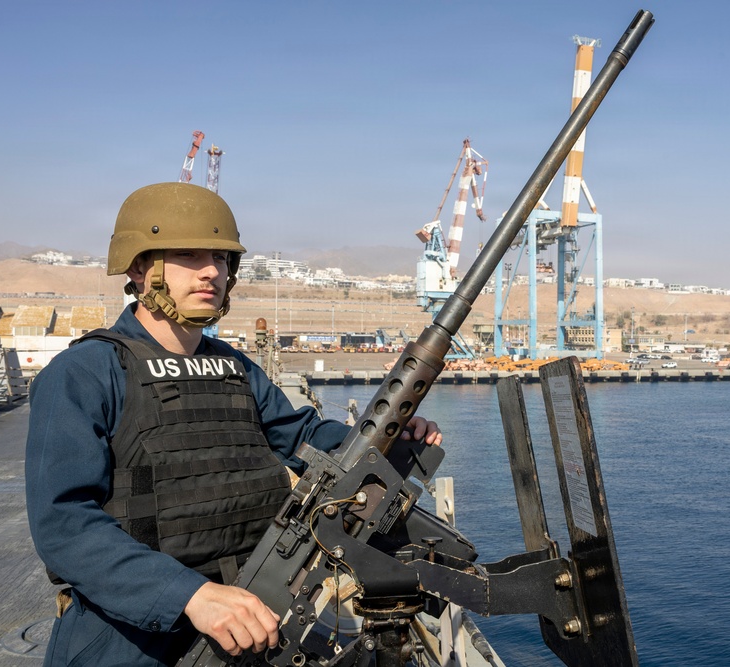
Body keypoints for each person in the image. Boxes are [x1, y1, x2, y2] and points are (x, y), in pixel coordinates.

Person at [25, 182, 442, 667]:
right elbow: (64, 524)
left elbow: (305, 437)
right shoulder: (85, 372)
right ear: (140, 268)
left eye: (222, 258)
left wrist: (389, 437)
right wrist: (190, 595)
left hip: (251, 622)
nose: (211, 271)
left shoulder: (234, 368)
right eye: (189, 255)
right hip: (132, 637)